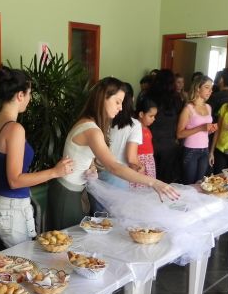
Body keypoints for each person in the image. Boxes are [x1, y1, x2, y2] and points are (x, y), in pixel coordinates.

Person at [47, 77, 179, 230]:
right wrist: (154, 182)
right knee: (68, 238)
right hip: (68, 191)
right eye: (117, 102)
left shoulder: (90, 123)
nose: (121, 108)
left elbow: (84, 155)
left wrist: (90, 167)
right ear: (104, 98)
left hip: (73, 189)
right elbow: (114, 166)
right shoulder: (92, 129)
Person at [0, 66, 73, 248]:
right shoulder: (15, 129)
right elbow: (14, 181)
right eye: (29, 93)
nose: (30, 98)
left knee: (4, 260)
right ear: (20, 95)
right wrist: (55, 172)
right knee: (24, 259)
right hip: (10, 207)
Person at [98, 82, 142, 189]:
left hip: (98, 172)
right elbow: (131, 158)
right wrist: (140, 166)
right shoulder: (134, 125)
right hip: (118, 175)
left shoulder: (103, 120)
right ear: (132, 99)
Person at [177, 75, 218, 184]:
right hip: (191, 150)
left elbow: (204, 132)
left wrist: (210, 130)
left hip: (205, 149)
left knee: (201, 184)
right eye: (207, 87)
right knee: (189, 185)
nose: (210, 91)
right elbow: (179, 134)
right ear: (197, 88)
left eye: (211, 88)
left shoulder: (208, 107)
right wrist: (201, 128)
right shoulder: (188, 108)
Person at [147, 69, 184, 183]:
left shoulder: (149, 96)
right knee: (167, 177)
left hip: (151, 139)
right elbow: (180, 120)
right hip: (170, 141)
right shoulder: (176, 99)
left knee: (151, 176)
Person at [131, 97, 158, 188]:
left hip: (149, 162)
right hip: (139, 163)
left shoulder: (147, 129)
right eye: (151, 116)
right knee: (139, 185)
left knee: (148, 186)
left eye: (154, 116)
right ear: (141, 114)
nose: (153, 119)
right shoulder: (135, 129)